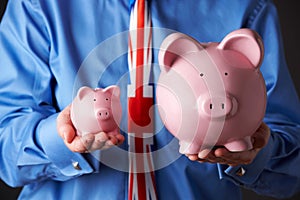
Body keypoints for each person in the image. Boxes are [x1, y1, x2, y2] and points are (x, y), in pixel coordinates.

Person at [0, 0, 300, 199]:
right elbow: (6, 154)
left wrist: (256, 151)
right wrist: (61, 139)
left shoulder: (244, 6)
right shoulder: (38, 5)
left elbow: (292, 166)